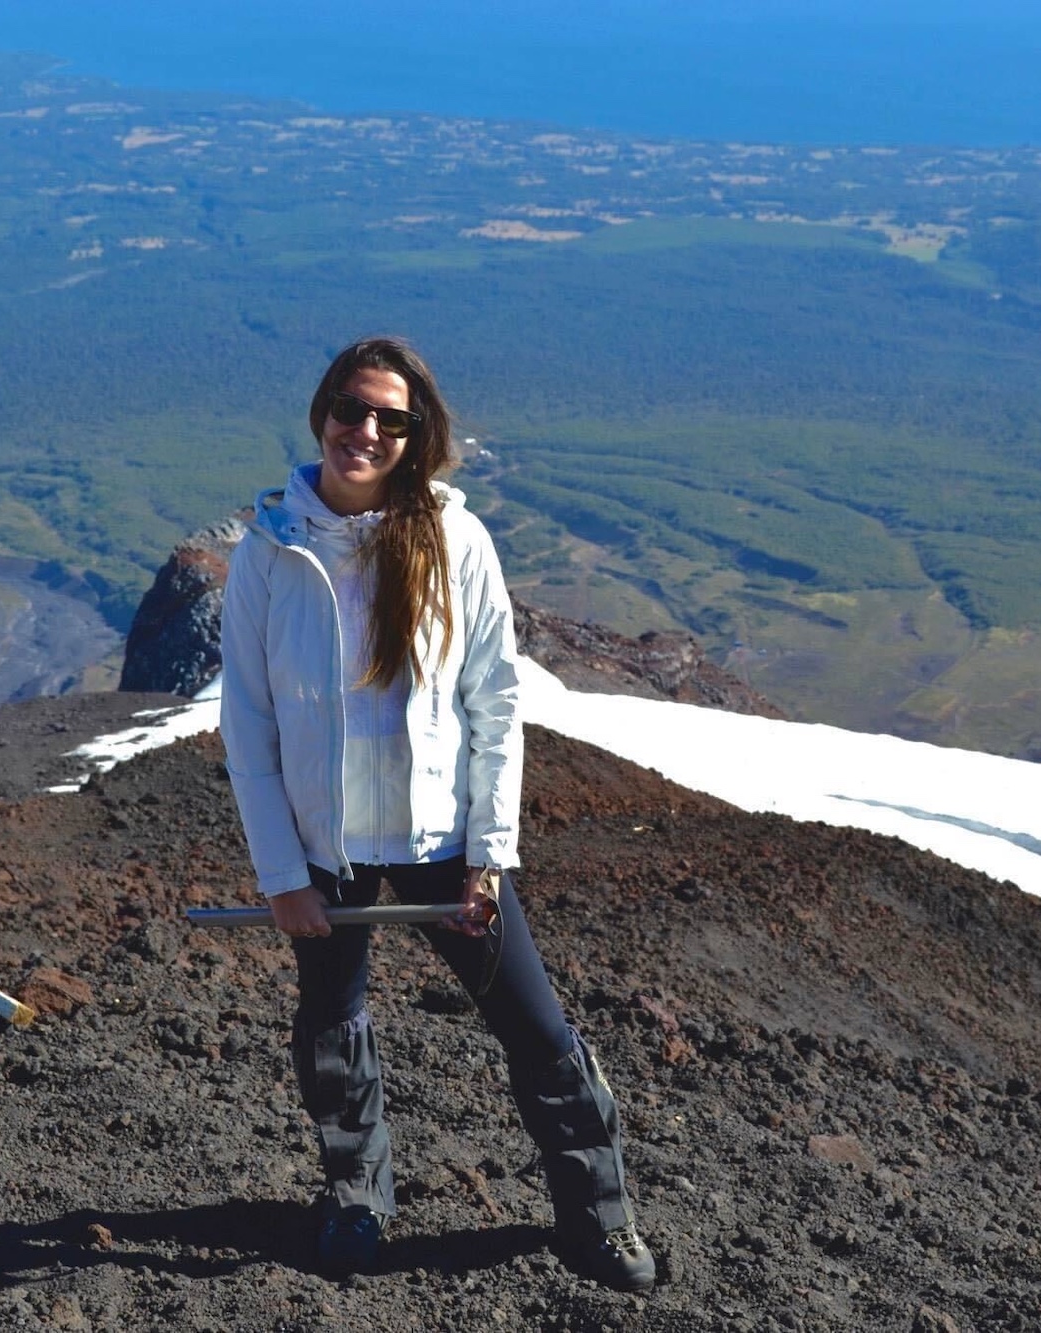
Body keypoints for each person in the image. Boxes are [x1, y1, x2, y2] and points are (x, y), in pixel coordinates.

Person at [218, 336, 655, 1289]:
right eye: (349, 406)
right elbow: (247, 727)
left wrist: (486, 856)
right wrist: (284, 877)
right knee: (332, 1026)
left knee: (537, 1028)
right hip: (325, 845)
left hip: (442, 839)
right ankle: (356, 1198)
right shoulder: (268, 551)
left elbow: (495, 704)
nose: (362, 430)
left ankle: (599, 1216)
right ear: (320, 410)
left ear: (418, 437)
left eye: (389, 418)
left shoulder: (458, 542)